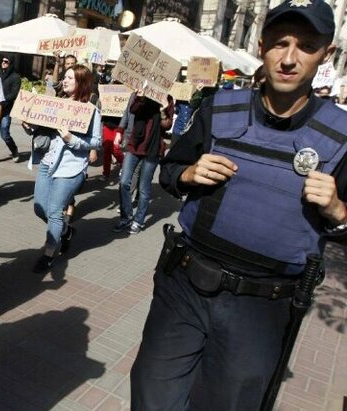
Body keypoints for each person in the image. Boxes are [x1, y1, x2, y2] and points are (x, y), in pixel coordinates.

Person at [130, 1, 347, 409]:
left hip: (264, 308)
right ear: (262, 46)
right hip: (186, 287)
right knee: (150, 395)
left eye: (306, 46)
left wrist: (338, 210)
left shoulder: (340, 135)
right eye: (279, 43)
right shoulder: (219, 108)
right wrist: (188, 174)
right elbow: (169, 170)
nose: (288, 58)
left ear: (326, 54)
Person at [25, 64, 102, 273]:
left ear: (81, 83)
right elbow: (40, 129)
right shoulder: (56, 104)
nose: (65, 80)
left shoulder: (90, 111)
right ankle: (66, 232)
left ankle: (49, 254)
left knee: (56, 212)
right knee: (40, 207)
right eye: (65, 77)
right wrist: (28, 124)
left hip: (70, 168)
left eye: (70, 78)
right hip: (47, 163)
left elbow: (96, 142)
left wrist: (72, 139)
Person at [112, 93, 174, 235]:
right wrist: (140, 98)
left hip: (153, 149)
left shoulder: (168, 99)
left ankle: (139, 221)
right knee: (124, 182)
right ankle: (126, 217)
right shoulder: (139, 95)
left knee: (144, 188)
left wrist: (163, 109)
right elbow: (132, 110)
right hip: (135, 145)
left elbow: (167, 125)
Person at [0, 55, 21, 161]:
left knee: (5, 135)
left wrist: (0, 99)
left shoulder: (15, 77)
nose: (3, 63)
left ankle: (14, 151)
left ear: (10, 63)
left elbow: (14, 94)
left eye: (6, 61)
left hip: (6, 111)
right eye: (2, 61)